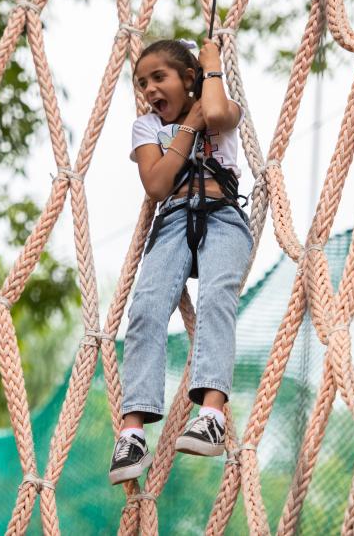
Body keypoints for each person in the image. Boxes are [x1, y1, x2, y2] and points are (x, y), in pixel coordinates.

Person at [109, 38, 253, 485]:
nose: (149, 89)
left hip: (224, 216)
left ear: (187, 79)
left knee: (215, 300)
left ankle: (211, 413)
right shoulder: (146, 127)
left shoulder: (220, 105)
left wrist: (212, 68)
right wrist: (186, 126)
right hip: (171, 221)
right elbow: (156, 183)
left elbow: (214, 114)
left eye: (159, 78)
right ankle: (133, 432)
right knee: (146, 309)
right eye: (141, 82)